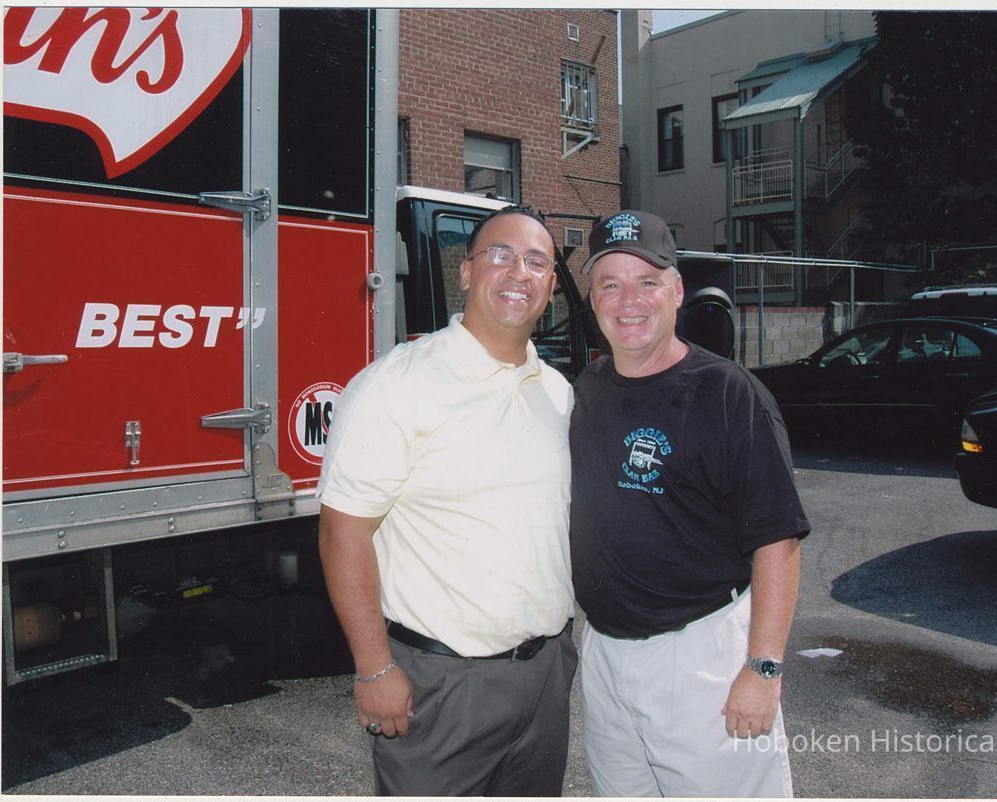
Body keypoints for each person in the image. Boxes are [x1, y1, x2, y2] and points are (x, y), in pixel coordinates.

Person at [317, 205, 577, 797]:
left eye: (537, 261)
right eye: (501, 255)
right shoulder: (399, 384)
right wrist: (374, 667)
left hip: (546, 678)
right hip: (441, 685)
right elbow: (343, 533)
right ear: (465, 273)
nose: (519, 272)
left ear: (552, 287)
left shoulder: (557, 393)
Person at [569, 210, 810, 797]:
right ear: (593, 299)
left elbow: (776, 542)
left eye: (647, 282)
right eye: (610, 283)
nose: (629, 300)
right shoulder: (587, 391)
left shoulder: (728, 393)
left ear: (677, 291)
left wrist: (763, 669)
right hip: (604, 654)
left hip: (702, 658)